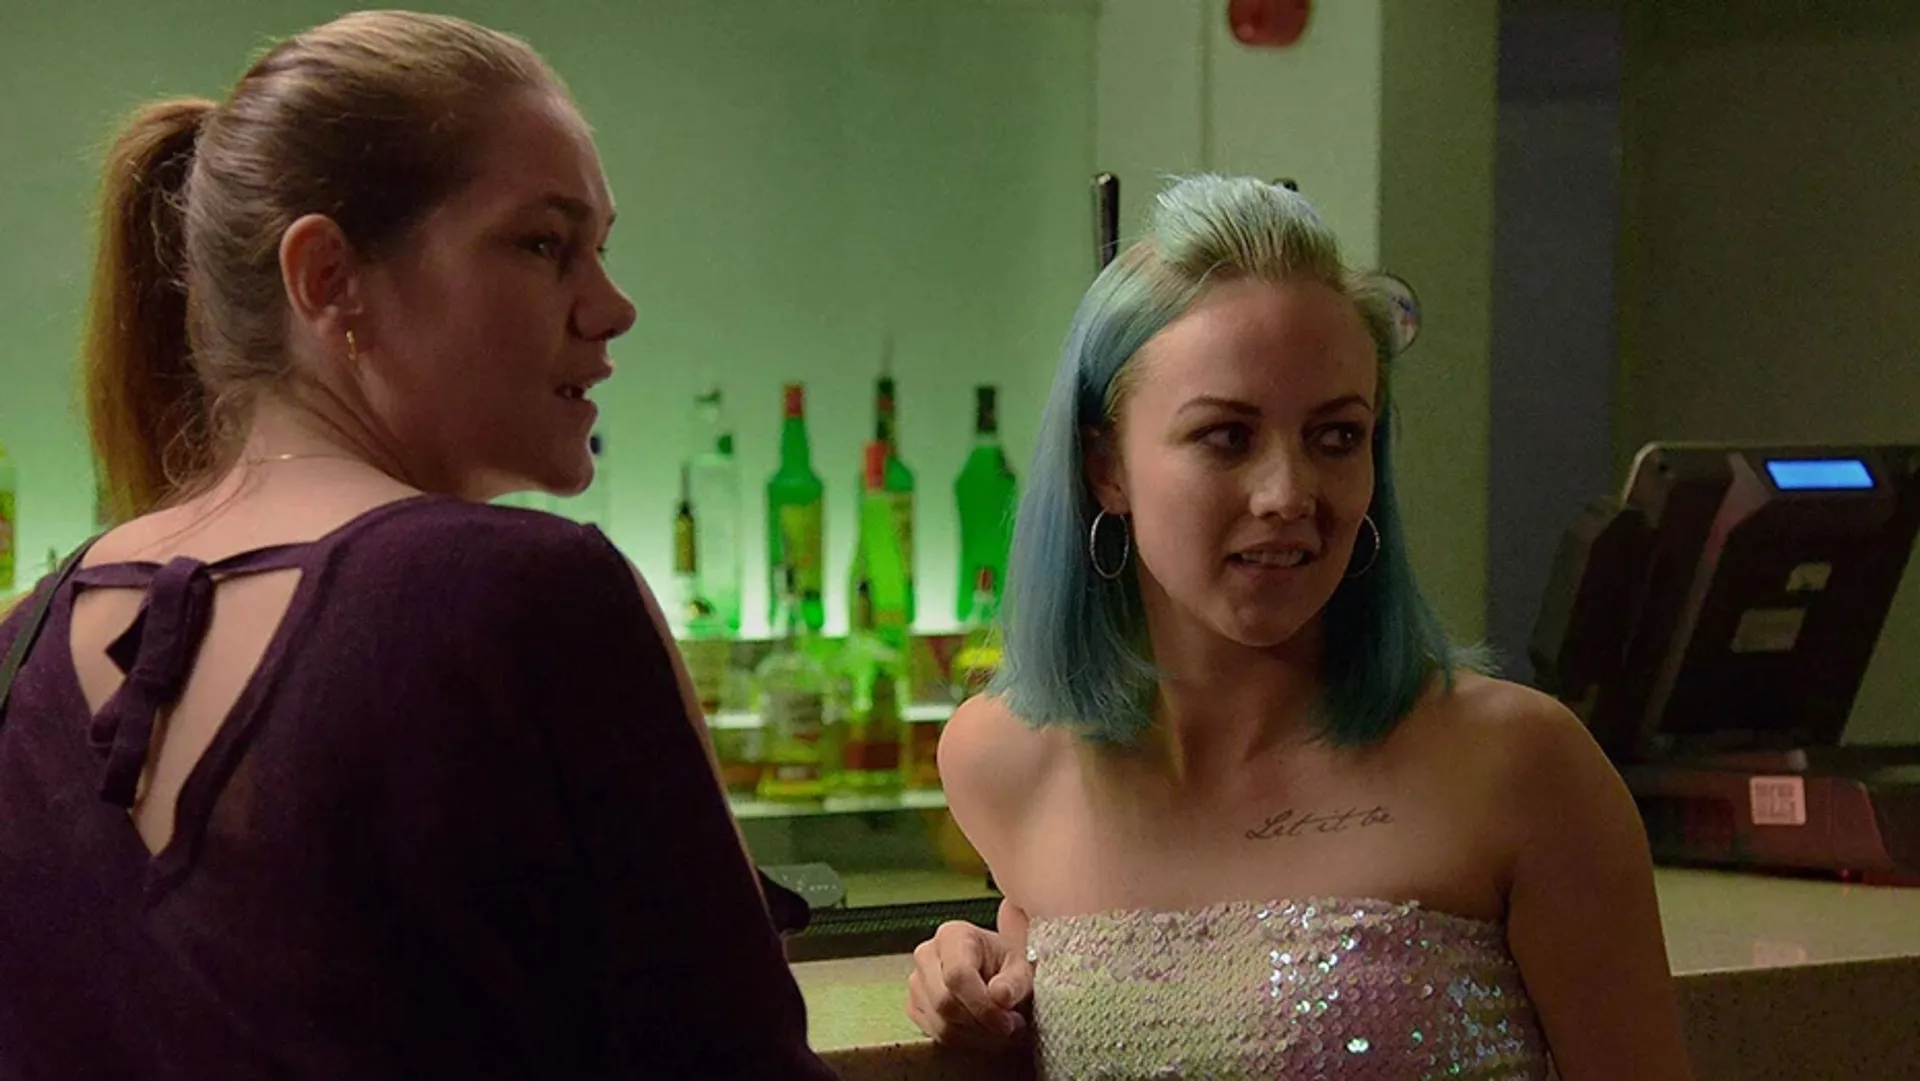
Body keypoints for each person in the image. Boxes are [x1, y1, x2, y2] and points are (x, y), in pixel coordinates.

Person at [0, 12, 835, 1080]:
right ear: (327, 276)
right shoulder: (530, 598)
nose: (613, 307)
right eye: (544, 244)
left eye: (601, 250)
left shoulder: (24, 641)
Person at [905, 175, 1693, 1079]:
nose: (1287, 494)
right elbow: (1120, 993)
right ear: (1105, 467)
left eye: (1336, 436)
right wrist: (974, 967)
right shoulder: (1004, 762)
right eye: (1226, 437)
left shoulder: (1520, 765)